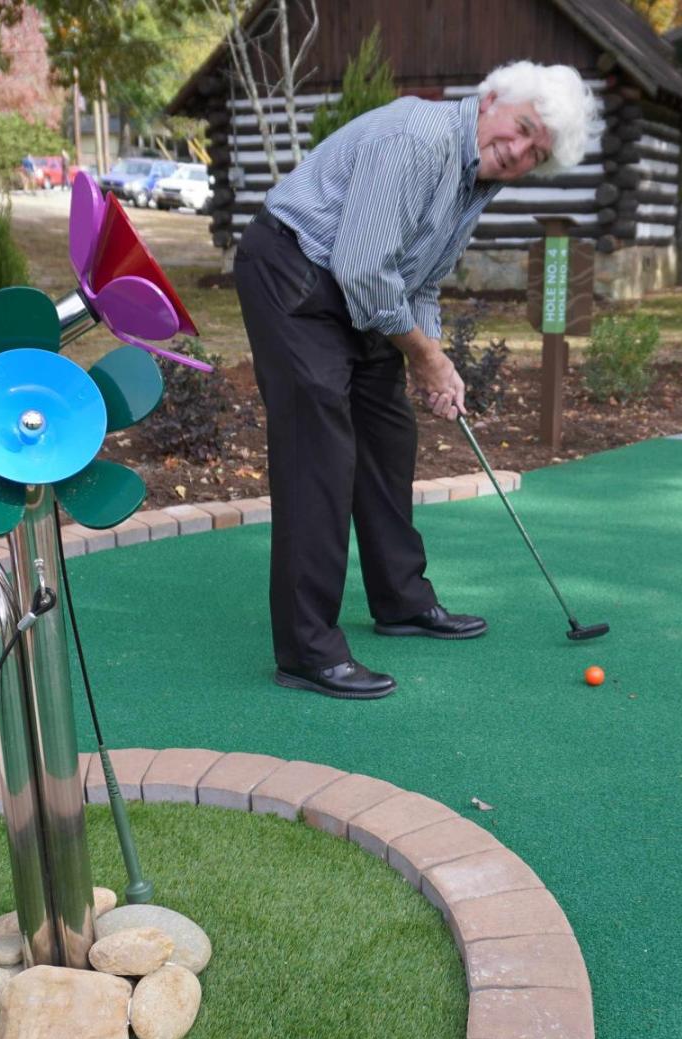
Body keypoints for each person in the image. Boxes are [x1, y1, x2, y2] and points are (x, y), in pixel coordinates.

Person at [234, 61, 603, 700]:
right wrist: (427, 356)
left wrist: (429, 359)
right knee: (319, 454)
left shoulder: (474, 181)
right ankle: (306, 650)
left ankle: (401, 600)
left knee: (388, 436)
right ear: (490, 100)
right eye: (520, 129)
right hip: (294, 273)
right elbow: (364, 268)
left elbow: (420, 278)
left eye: (534, 153)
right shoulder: (418, 138)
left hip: (354, 289)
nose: (517, 153)